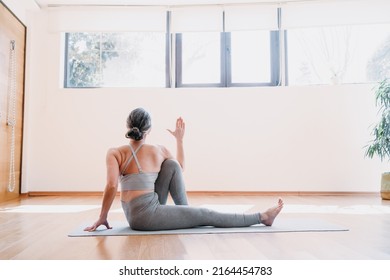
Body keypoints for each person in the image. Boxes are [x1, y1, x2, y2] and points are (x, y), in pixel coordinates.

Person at [85, 108, 283, 232]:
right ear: (149, 129)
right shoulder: (158, 150)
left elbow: (112, 185)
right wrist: (179, 140)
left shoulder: (114, 152)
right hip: (144, 218)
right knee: (205, 213)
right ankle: (262, 217)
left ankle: (187, 213)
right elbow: (182, 169)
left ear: (128, 127)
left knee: (171, 165)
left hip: (133, 212)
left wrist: (103, 216)